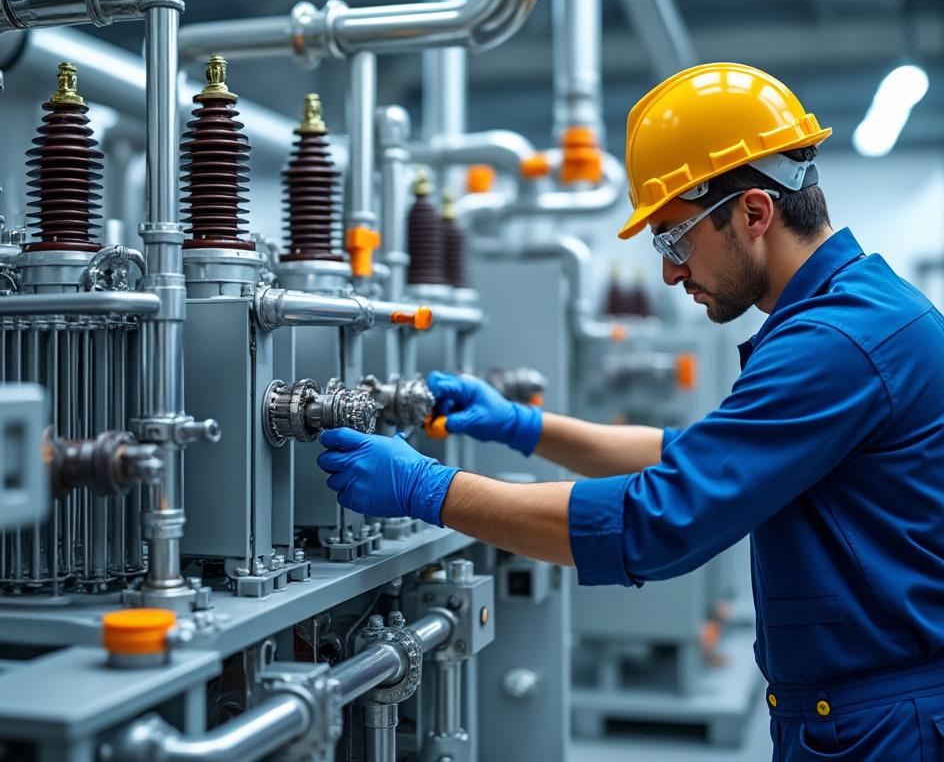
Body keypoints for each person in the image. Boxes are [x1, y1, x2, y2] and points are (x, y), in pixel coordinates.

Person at [317, 63, 944, 760]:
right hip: (859, 710)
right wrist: (522, 425)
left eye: (674, 238)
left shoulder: (837, 342)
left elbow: (659, 518)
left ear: (755, 213)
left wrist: (429, 490)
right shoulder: (849, 315)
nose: (671, 272)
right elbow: (695, 453)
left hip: (885, 727)